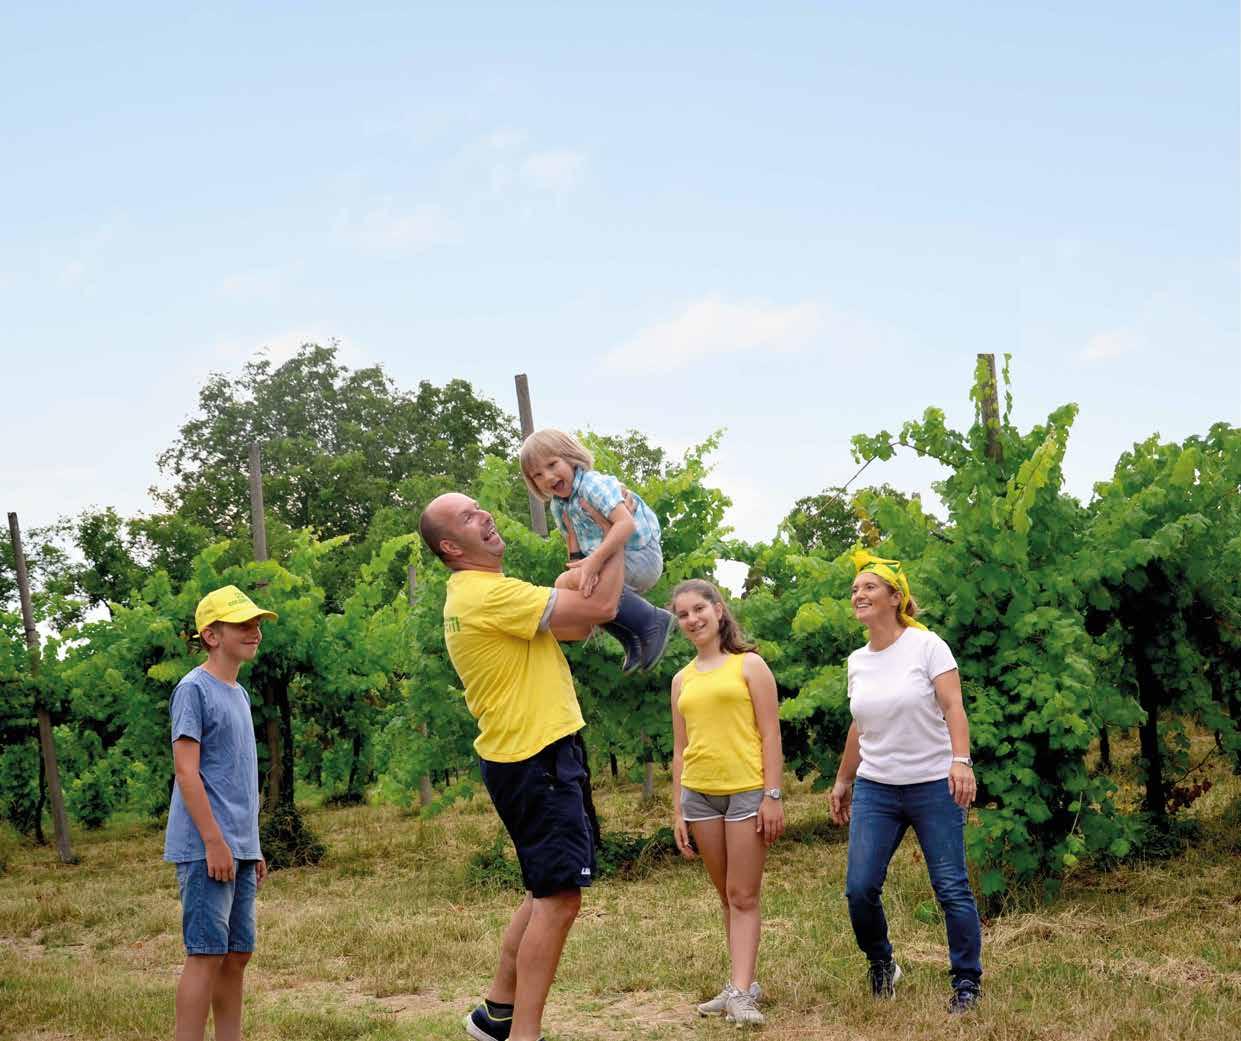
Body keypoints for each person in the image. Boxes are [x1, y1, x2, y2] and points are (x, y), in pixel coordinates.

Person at [419, 491, 627, 1041]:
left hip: (532, 754)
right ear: (450, 547)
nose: (485, 515)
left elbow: (575, 627)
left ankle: (497, 1014)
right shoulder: (488, 595)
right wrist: (617, 531)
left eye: (479, 507)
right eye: (469, 517)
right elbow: (602, 609)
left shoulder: (480, 594)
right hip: (536, 757)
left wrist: (585, 553)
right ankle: (524, 1034)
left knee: (543, 892)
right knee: (559, 899)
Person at [828, 549, 983, 1015]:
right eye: (855, 589)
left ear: (895, 597)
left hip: (934, 783)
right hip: (877, 787)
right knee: (859, 889)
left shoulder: (927, 646)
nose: (859, 594)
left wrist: (961, 761)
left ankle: (966, 982)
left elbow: (953, 707)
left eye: (869, 587)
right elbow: (860, 725)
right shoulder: (857, 661)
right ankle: (882, 962)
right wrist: (843, 779)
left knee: (950, 887)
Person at [669, 579, 784, 1028]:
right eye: (683, 615)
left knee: (743, 894)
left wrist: (772, 794)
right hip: (699, 795)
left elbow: (770, 733)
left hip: (746, 790)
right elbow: (680, 749)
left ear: (718, 610)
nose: (692, 619)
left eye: (699, 609)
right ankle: (741, 984)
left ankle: (740, 993)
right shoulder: (681, 680)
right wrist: (678, 808)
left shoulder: (750, 665)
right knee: (726, 895)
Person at [163, 585, 276, 1041]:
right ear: (211, 635)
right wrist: (214, 841)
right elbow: (186, 772)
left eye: (257, 624)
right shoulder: (193, 689)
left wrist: (252, 846)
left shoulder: (240, 694)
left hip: (239, 847)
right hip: (206, 846)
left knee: (237, 954)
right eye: (242, 625)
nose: (255, 632)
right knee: (206, 953)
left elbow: (238, 777)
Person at [519, 428, 674, 673]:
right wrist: (581, 571)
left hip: (640, 555)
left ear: (570, 458)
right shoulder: (559, 505)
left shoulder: (592, 484)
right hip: (614, 560)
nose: (547, 477)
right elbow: (574, 543)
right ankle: (630, 638)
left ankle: (651, 620)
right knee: (570, 586)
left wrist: (594, 563)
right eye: (537, 474)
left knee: (571, 585)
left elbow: (626, 524)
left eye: (552, 464)